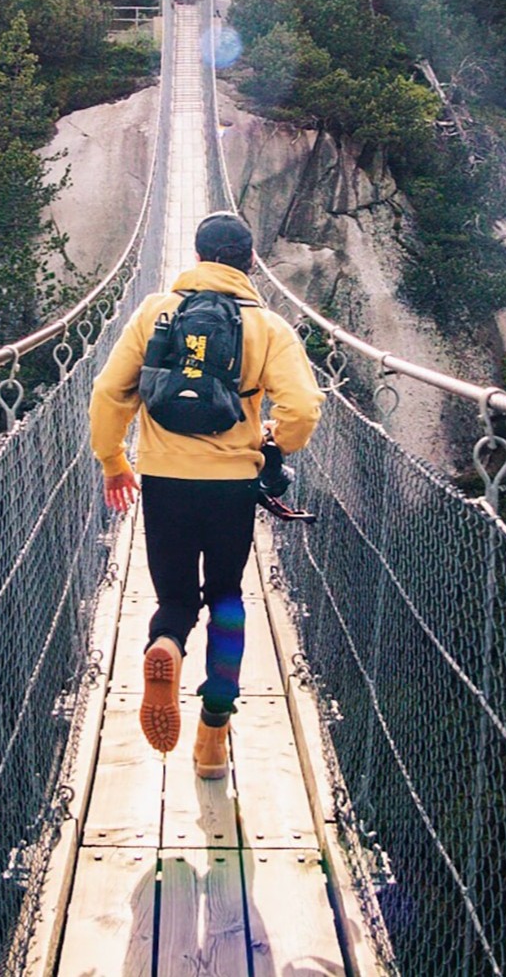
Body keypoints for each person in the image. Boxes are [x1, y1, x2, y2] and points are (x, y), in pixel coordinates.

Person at [89, 212, 322, 776]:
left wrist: (114, 461)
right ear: (249, 262)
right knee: (226, 599)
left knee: (174, 599)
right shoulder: (268, 327)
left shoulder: (154, 312)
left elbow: (108, 391)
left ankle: (165, 643)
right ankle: (213, 735)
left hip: (164, 481)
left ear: (196, 259)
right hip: (231, 488)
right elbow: (302, 409)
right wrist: (273, 442)